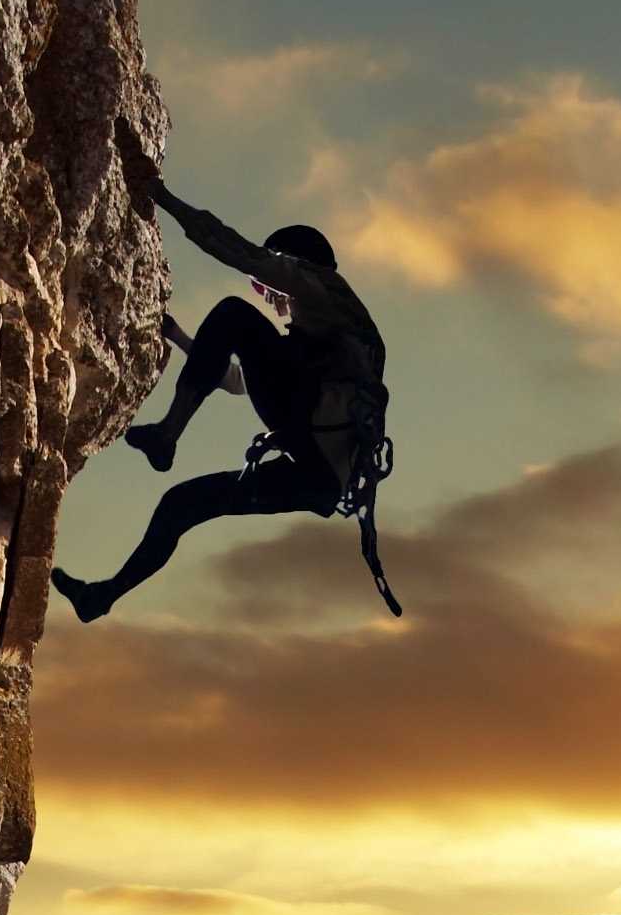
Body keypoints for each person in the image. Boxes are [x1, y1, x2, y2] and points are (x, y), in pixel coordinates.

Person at [49, 176, 394, 622]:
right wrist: (178, 337)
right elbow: (237, 381)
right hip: (318, 478)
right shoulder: (335, 334)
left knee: (233, 314)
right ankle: (102, 596)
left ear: (289, 266)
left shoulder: (319, 287)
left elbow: (233, 249)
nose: (265, 294)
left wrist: (163, 197)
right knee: (181, 503)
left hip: (310, 447)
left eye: (265, 282)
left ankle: (168, 433)